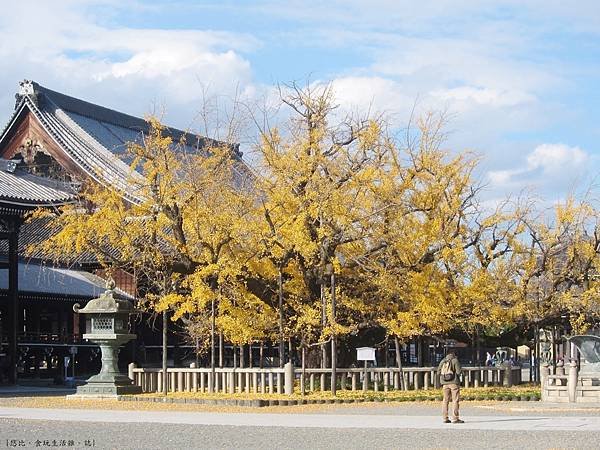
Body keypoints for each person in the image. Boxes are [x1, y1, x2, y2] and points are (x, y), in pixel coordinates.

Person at [438, 350, 463, 424]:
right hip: (454, 383)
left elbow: (438, 371)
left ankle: (445, 418)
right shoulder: (455, 360)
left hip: (444, 383)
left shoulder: (443, 361)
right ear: (454, 354)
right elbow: (458, 372)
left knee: (445, 400)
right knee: (455, 400)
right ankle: (455, 418)